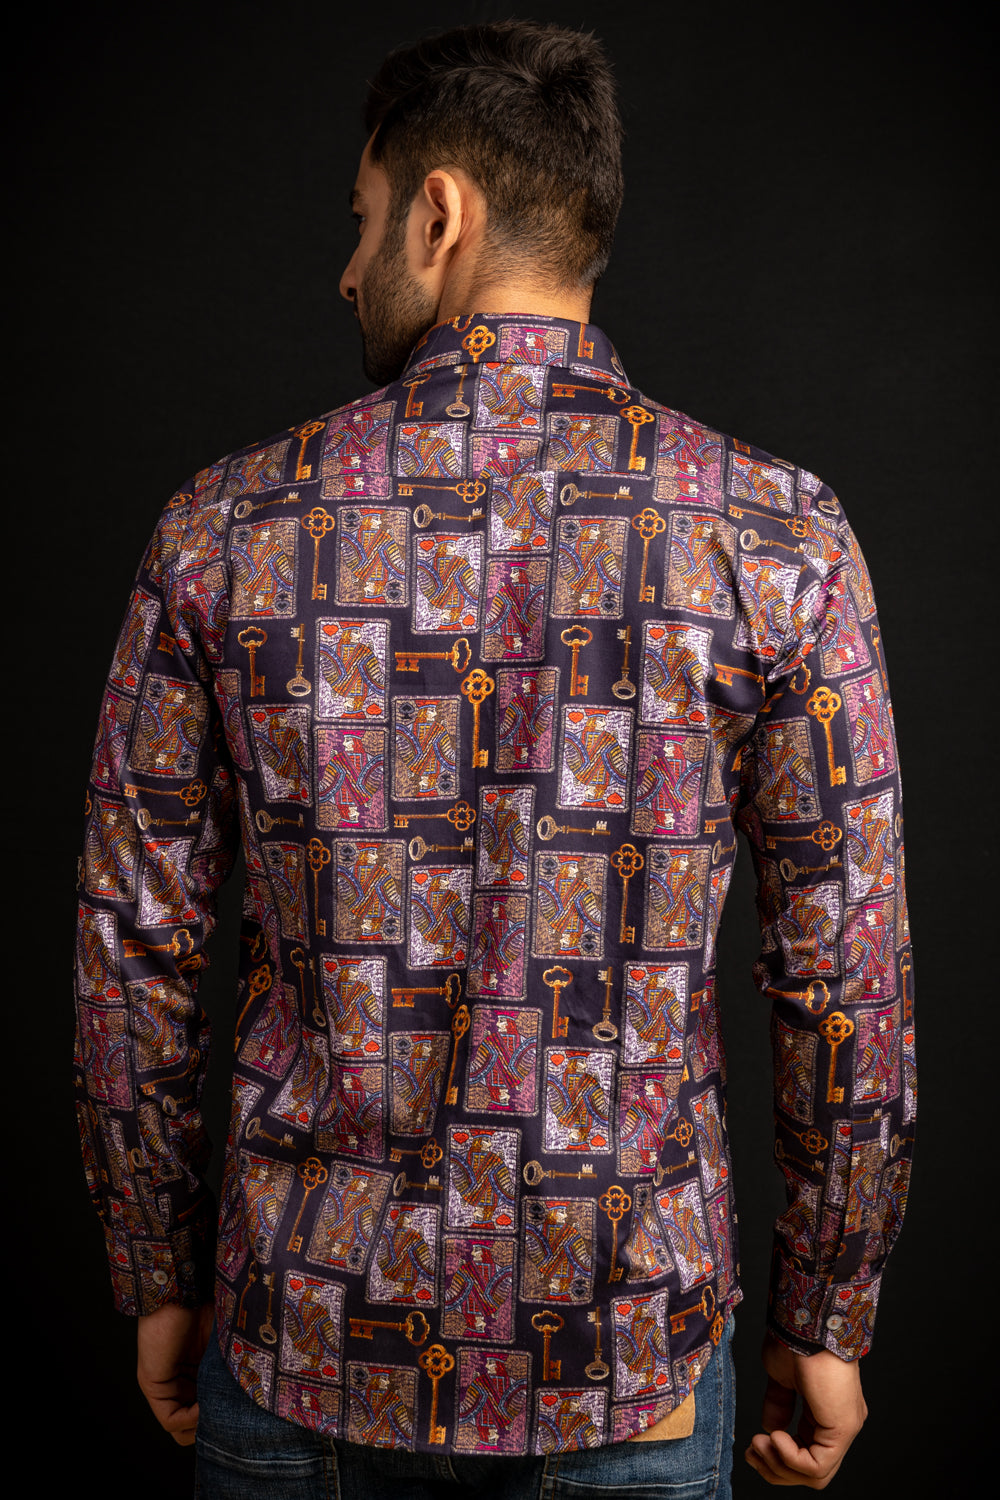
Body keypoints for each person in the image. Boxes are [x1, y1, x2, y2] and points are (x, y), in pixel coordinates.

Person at [74, 20, 914, 1498]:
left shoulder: (224, 530)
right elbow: (848, 966)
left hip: (304, 1339)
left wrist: (155, 1270)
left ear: (440, 213)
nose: (347, 272)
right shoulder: (778, 535)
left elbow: (133, 946)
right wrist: (830, 1310)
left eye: (361, 221)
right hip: (628, 1348)